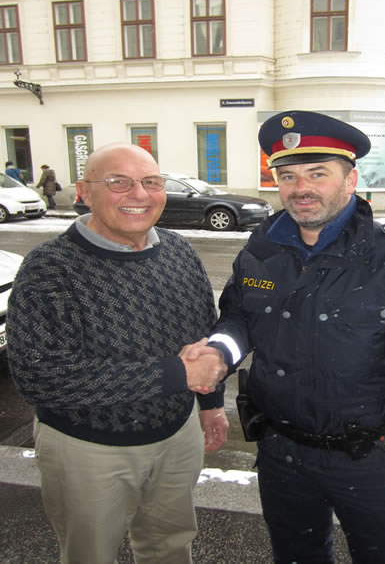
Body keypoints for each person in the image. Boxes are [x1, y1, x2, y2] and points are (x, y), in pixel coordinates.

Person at [203, 111, 385, 563]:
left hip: (375, 461)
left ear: (350, 179)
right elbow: (239, 320)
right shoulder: (262, 250)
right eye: (287, 175)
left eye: (317, 173)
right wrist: (217, 351)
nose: (300, 187)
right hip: (282, 455)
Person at [7, 143, 229, 564]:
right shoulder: (49, 267)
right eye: (118, 182)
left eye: (150, 182)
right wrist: (173, 376)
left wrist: (211, 404)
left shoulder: (180, 251)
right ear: (84, 192)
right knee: (90, 553)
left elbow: (204, 331)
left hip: (177, 437)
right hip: (88, 449)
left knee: (171, 543)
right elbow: (41, 375)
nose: (139, 194)